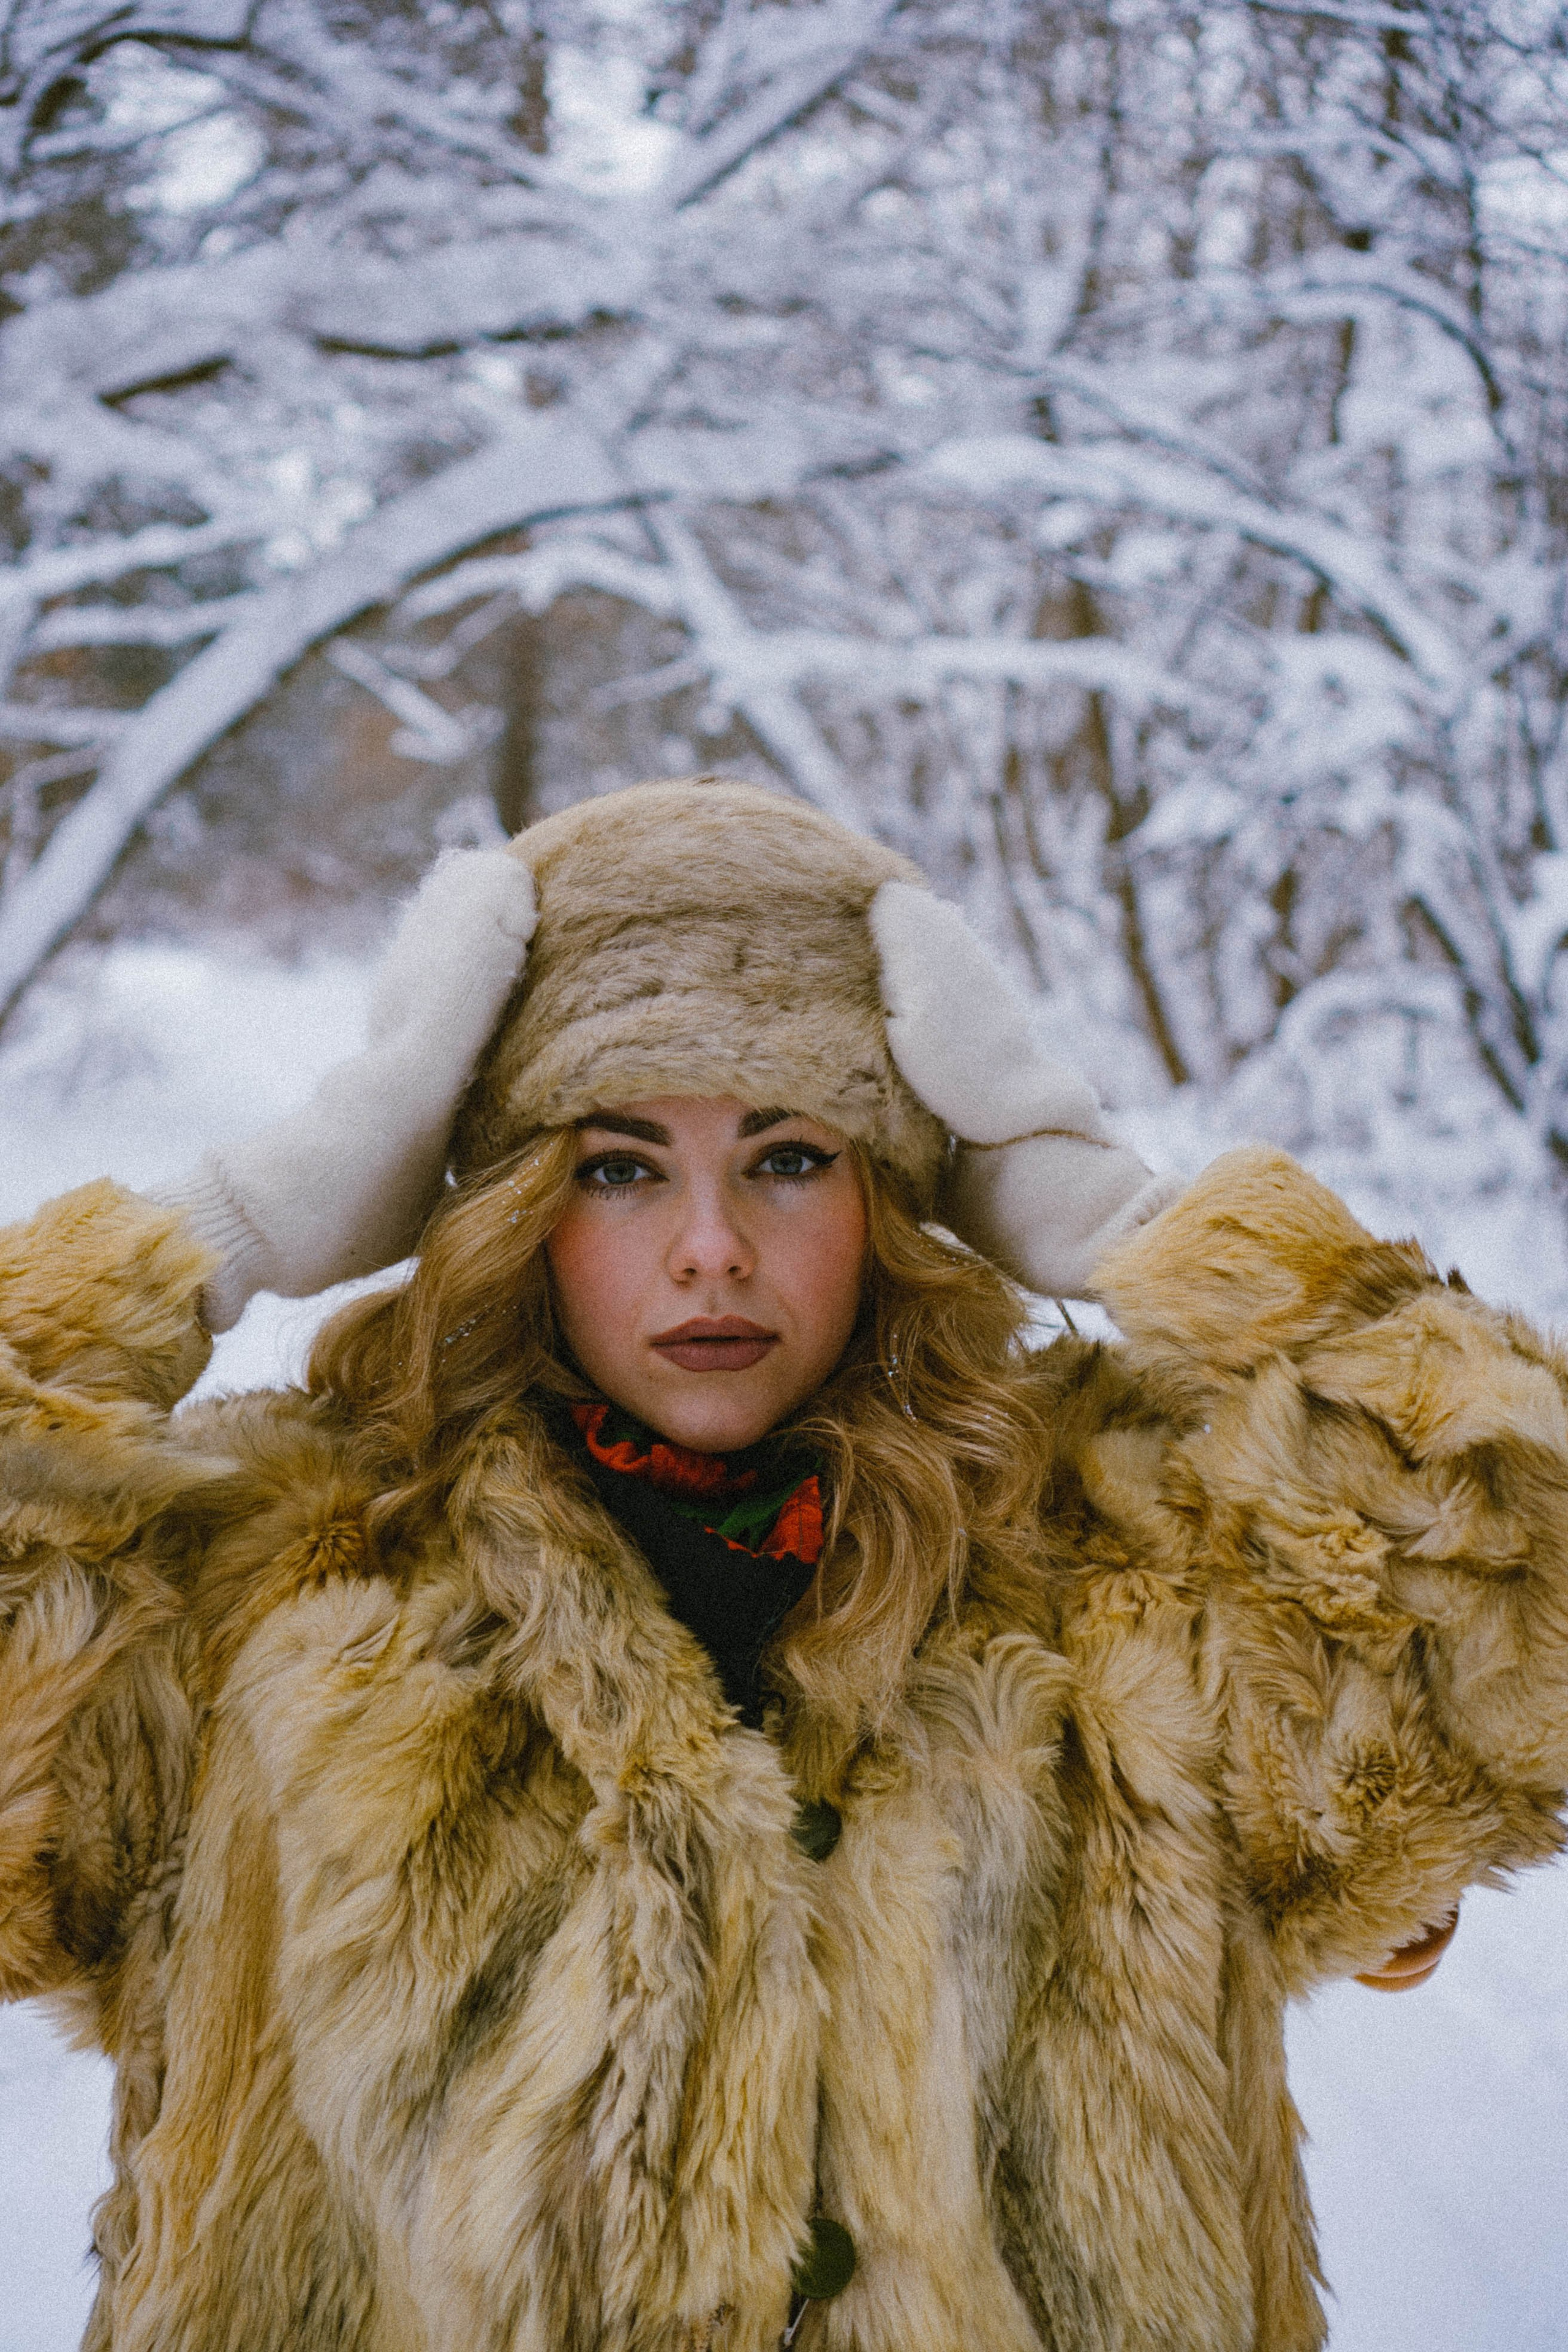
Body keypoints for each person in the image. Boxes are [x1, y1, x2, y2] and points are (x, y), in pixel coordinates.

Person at [1, 776, 1560, 2352]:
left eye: (791, 1156)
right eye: (616, 1165)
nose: (710, 1248)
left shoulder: (1124, 1568)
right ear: (509, 1205)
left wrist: (1129, 1224)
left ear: (899, 1194)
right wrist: (225, 1228)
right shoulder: (270, 1586)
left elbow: (1517, 1616)